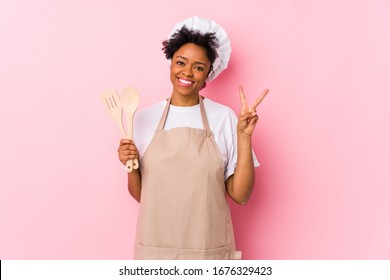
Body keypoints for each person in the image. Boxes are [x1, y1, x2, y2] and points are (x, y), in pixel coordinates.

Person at [117, 16, 269, 260]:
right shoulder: (144, 118)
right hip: (156, 253)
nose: (187, 72)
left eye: (198, 67)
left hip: (207, 252)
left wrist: (244, 138)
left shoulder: (224, 118)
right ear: (170, 64)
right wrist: (130, 164)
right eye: (181, 62)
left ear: (208, 73)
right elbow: (142, 195)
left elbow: (241, 196)